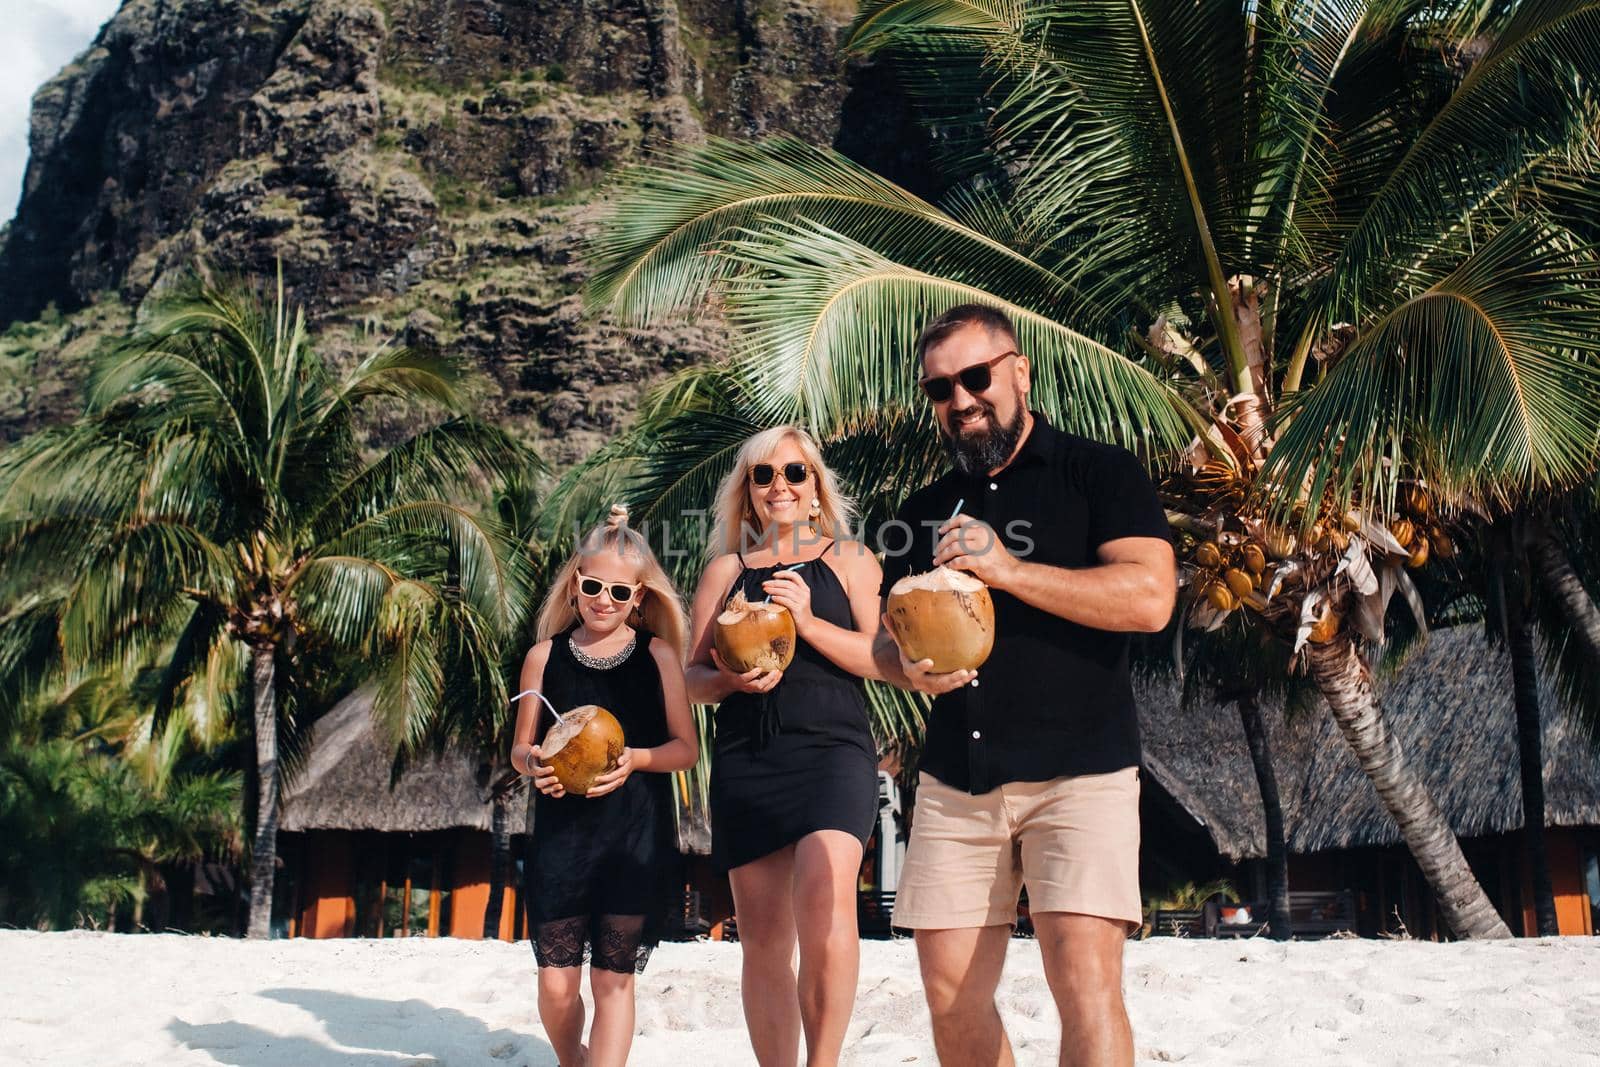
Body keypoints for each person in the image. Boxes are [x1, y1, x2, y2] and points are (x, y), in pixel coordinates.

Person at [873, 304, 1177, 1067]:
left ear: (1020, 371)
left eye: (976, 377)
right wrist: (901, 665)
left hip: (1081, 769)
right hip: (956, 777)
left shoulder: (1099, 472)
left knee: (1086, 983)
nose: (962, 399)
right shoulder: (919, 513)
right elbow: (885, 637)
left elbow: (1149, 597)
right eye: (941, 389)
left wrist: (1007, 570)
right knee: (949, 994)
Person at [685, 426, 885, 1067]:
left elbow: (884, 661)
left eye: (795, 473)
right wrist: (731, 678)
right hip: (749, 756)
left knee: (827, 905)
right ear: (747, 490)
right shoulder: (727, 570)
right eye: (764, 475)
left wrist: (808, 622)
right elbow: (691, 680)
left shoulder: (849, 561)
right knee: (765, 940)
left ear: (816, 486)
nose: (780, 486)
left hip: (833, 752)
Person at [511, 506, 699, 1067]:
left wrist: (635, 759)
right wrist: (533, 763)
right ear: (575, 584)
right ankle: (574, 1059)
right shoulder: (542, 658)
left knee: (613, 982)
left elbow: (685, 749)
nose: (604, 600)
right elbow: (521, 746)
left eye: (620, 592)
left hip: (634, 832)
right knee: (556, 987)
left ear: (639, 597)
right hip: (562, 836)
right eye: (593, 586)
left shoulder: (658, 656)